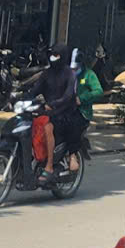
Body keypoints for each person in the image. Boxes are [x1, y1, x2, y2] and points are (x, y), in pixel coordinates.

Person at [38, 48, 87, 184]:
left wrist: (53, 104)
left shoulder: (73, 75)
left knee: (49, 128)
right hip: (51, 111)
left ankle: (50, 166)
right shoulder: (48, 73)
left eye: (57, 55)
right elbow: (36, 87)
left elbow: (68, 96)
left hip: (68, 112)